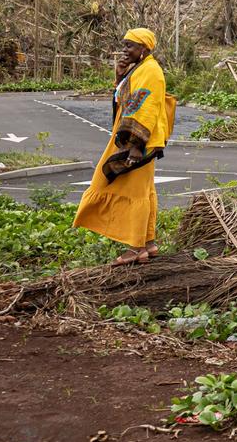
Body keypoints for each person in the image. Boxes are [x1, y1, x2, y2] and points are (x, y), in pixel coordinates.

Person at [73, 28, 176, 265]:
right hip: (136, 139)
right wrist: (120, 77)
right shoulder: (140, 70)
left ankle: (135, 247)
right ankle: (148, 244)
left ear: (144, 48)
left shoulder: (151, 71)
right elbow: (126, 101)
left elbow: (147, 109)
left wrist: (136, 145)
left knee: (131, 190)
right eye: (125, 45)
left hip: (139, 142)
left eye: (130, 45)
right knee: (144, 191)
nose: (125, 50)